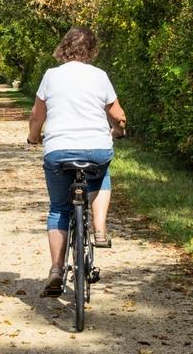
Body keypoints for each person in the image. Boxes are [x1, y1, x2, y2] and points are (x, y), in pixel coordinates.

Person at [27, 26, 126, 296]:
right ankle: (100, 229)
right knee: (101, 173)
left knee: (59, 208)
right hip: (96, 149)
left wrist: (34, 138)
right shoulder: (100, 76)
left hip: (58, 151)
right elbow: (117, 115)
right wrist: (118, 130)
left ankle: (57, 269)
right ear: (91, 49)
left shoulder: (51, 76)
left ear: (64, 47)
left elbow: (37, 116)